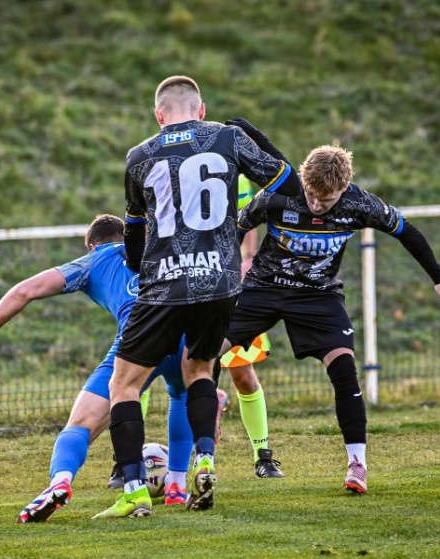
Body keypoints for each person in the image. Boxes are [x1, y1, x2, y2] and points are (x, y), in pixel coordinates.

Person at [94, 76, 300, 519]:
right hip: (221, 283)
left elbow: (134, 231)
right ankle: (205, 460)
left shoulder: (139, 156)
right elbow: (291, 185)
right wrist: (257, 138)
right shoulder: (229, 138)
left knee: (123, 385)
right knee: (200, 370)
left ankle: (132, 489)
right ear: (202, 109)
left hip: (165, 284)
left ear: (158, 115)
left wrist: (137, 264)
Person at [221, 118, 440, 494]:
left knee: (345, 370)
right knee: (198, 357)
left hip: (318, 296)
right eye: (312, 196)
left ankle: (357, 464)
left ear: (344, 189)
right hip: (263, 288)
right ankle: (197, 457)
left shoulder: (359, 205)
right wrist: (227, 274)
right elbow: (235, 230)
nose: (317, 205)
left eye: (326, 200)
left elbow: (406, 231)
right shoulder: (278, 197)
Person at [0, 214, 194, 522]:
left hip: (136, 340)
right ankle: (176, 486)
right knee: (182, 396)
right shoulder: (159, 248)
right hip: (184, 336)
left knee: (80, 424)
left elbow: (25, 290)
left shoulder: (91, 262)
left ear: (91, 245)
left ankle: (60, 481)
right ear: (126, 235)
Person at [218, 175, 284, 478]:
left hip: (231, 284)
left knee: (242, 373)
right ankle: (126, 463)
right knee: (170, 370)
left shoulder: (237, 178)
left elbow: (251, 218)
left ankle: (263, 455)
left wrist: (247, 261)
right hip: (188, 282)